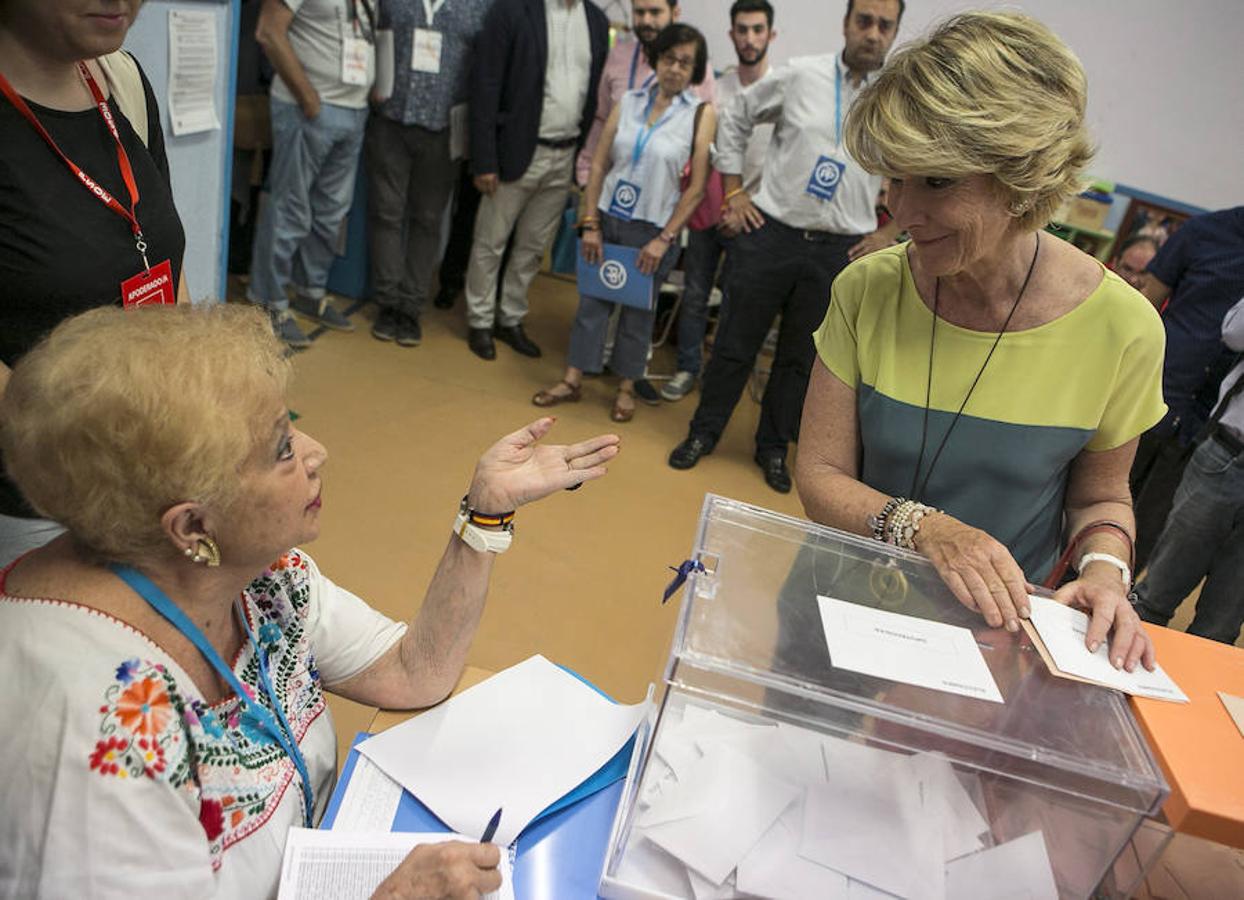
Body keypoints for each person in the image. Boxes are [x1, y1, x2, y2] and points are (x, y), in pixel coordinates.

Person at [0, 303, 619, 896]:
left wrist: (486, 513)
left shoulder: (259, 578)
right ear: (192, 527)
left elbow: (413, 673)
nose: (318, 451)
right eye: (281, 449)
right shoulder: (88, 730)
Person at [794, 11, 1165, 671]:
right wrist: (930, 531)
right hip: (836, 604)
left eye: (937, 181)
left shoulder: (1123, 328)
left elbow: (1101, 497)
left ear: (1021, 179)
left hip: (986, 641)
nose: (902, 213)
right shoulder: (867, 290)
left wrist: (1106, 571)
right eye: (896, 179)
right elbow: (819, 475)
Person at [668, 0, 904, 494]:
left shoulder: (899, 99)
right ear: (846, 24)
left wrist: (888, 232)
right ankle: (703, 433)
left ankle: (773, 448)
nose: (873, 33)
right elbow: (735, 118)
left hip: (840, 249)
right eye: (864, 21)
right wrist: (734, 191)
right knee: (734, 342)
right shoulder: (801, 75)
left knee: (802, 359)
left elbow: (919, 171)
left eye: (885, 25)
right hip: (771, 234)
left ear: (895, 31)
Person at [0, 0, 187, 568]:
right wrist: (94, 453)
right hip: (27, 505)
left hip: (137, 485)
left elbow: (157, 253)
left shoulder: (121, 80)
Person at [531, 24, 714, 423]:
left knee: (639, 314)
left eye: (686, 63)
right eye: (669, 59)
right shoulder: (628, 101)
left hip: (653, 229)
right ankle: (572, 378)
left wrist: (664, 240)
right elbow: (598, 162)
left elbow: (697, 188)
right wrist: (590, 220)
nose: (676, 69)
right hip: (609, 216)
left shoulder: (700, 114)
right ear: (656, 59)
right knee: (591, 303)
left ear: (695, 70)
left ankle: (627, 387)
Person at [463, 0, 609, 361]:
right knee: (490, 241)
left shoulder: (595, 21)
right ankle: (479, 321)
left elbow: (595, 95)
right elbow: (486, 84)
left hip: (565, 155)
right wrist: (484, 159)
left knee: (532, 247)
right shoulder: (512, 10)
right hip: (515, 152)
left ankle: (509, 318)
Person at [662, 0, 776, 403]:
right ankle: (687, 369)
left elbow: (780, 163)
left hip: (755, 218)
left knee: (738, 306)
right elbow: (704, 155)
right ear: (732, 36)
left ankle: (719, 379)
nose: (749, 38)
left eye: (757, 30)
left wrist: (745, 205)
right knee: (694, 295)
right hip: (709, 213)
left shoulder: (781, 90)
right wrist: (722, 202)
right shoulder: (714, 89)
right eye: (742, 30)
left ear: (770, 35)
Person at [249, 0, 377, 348]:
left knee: (332, 211)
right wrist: (308, 97)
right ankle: (269, 303)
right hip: (306, 109)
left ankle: (309, 291)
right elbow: (268, 31)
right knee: (290, 208)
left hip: (354, 112)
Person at [366, 0, 494, 348]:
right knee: (386, 214)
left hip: (443, 131)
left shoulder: (481, 6)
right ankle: (387, 303)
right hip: (390, 121)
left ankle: (410, 307)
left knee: (427, 220)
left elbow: (488, 66)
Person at [1128, 206, 1244, 568]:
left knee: (1151, 528)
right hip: (1158, 387)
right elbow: (1144, 305)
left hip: (1210, 417)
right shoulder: (1204, 231)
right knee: (1100, 505)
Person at [1134, 295, 1244, 645]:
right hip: (1227, 452)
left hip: (1224, 453)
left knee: (1220, 628)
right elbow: (1235, 333)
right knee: (1152, 599)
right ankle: (1100, 694)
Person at [574, 0, 716, 188]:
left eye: (655, 12)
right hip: (609, 184)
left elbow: (703, 143)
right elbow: (601, 118)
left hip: (662, 194)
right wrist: (586, 175)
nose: (646, 21)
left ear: (675, 13)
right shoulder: (618, 56)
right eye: (639, 12)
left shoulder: (695, 70)